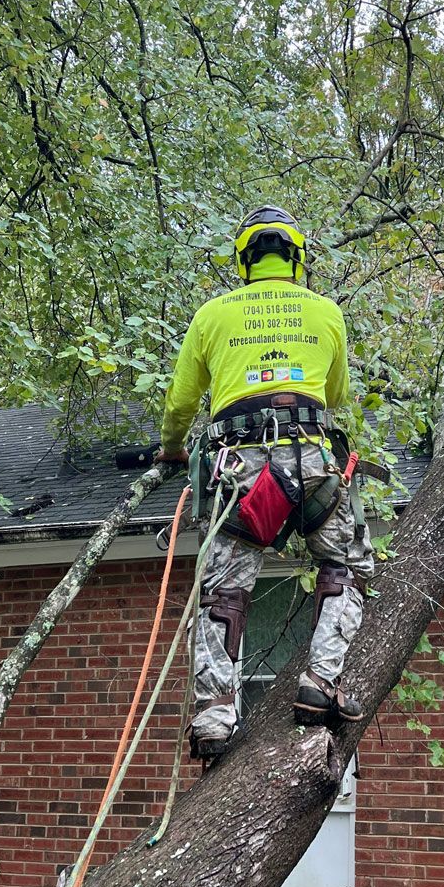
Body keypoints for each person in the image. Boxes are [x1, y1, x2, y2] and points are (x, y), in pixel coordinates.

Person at [159, 206, 375, 762]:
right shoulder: (326, 313)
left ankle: (214, 715)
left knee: (224, 590)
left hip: (242, 471)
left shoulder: (212, 315)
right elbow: (338, 395)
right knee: (345, 568)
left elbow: (182, 402)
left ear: (243, 260)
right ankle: (320, 682)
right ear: (297, 259)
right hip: (312, 463)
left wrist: (171, 450)